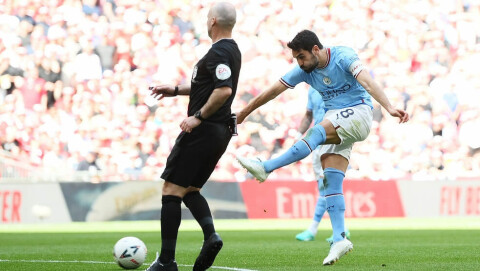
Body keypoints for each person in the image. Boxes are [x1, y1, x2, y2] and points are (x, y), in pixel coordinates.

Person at [236, 30, 408, 265]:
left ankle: (266, 167)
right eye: (297, 58)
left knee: (316, 132)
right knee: (330, 180)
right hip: (337, 118)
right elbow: (273, 91)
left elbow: (366, 80)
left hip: (359, 112)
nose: (300, 62)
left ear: (316, 49)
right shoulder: (305, 71)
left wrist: (388, 107)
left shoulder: (343, 56)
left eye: (302, 57)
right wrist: (244, 112)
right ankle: (340, 238)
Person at [146, 3, 241, 271]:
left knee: (171, 190)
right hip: (220, 131)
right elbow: (208, 86)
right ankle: (211, 235)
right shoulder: (231, 50)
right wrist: (175, 90)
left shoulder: (219, 51)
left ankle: (166, 261)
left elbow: (222, 91)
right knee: (190, 190)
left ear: (212, 21)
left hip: (204, 129)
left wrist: (197, 117)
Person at [294, 86, 351, 244]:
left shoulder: (336, 84)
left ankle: (314, 229)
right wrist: (299, 135)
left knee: (328, 186)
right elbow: (308, 115)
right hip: (316, 143)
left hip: (332, 141)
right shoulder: (312, 89)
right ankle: (341, 229)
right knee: (323, 187)